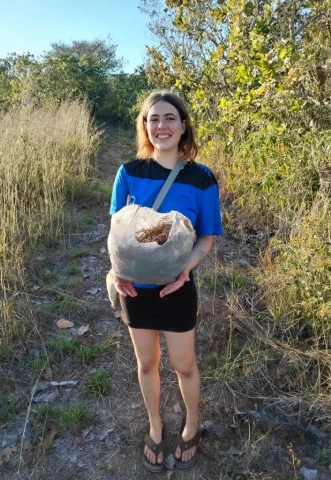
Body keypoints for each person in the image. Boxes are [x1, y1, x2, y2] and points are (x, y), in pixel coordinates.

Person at [109, 90, 223, 471]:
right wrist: (114, 271)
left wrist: (185, 269)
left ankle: (191, 423)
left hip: (177, 286)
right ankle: (156, 425)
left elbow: (205, 238)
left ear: (184, 124)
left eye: (169, 118)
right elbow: (116, 234)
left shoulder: (201, 178)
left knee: (184, 365)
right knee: (147, 363)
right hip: (134, 289)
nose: (161, 126)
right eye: (153, 118)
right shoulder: (128, 173)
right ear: (145, 126)